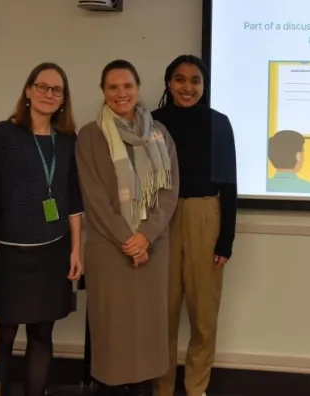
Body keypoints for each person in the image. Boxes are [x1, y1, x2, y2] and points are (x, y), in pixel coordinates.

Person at [76, 59, 180, 395]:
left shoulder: (160, 134)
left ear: (137, 88)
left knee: (148, 335)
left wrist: (145, 237)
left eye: (128, 86)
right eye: (113, 87)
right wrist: (129, 240)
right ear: (103, 92)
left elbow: (169, 191)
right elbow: (94, 198)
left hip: (154, 248)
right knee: (113, 337)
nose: (121, 93)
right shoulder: (90, 136)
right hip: (110, 251)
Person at [0, 63, 84, 396]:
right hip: (8, 252)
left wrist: (76, 250)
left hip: (53, 251)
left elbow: (72, 198)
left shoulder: (68, 140)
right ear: (28, 91)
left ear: (63, 99)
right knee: (4, 336)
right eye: (42, 87)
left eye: (57, 90)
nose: (48, 94)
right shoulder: (3, 134)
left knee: (42, 335)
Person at [151, 55, 237, 396]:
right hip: (161, 219)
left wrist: (225, 240)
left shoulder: (219, 123)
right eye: (180, 79)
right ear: (169, 83)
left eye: (195, 81)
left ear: (204, 85)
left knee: (203, 315)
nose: (187, 87)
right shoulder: (152, 123)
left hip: (206, 217)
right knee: (163, 314)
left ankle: (197, 387)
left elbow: (229, 183)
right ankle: (162, 387)